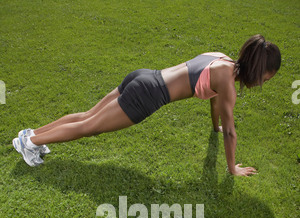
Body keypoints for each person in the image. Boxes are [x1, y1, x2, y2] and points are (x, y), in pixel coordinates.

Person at [13, 34, 281, 176]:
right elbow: (232, 130)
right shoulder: (229, 86)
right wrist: (232, 167)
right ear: (259, 72)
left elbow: (215, 104)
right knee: (89, 127)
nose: (262, 84)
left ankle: (31, 134)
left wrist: (215, 128)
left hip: (144, 76)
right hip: (149, 95)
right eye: (266, 79)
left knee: (87, 115)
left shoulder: (221, 59)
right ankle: (31, 144)